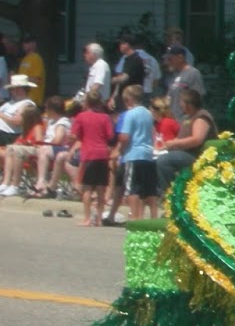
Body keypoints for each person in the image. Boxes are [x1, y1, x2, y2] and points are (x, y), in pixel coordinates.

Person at [70, 87, 116, 226]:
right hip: (102, 154)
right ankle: (99, 219)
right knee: (101, 187)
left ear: (87, 102)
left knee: (87, 188)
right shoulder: (105, 117)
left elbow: (74, 135)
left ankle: (87, 218)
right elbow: (110, 136)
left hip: (88, 154)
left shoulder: (81, 117)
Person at [114, 84, 160, 221]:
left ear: (129, 99)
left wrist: (120, 149)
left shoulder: (130, 114)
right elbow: (152, 133)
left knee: (132, 189)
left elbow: (125, 137)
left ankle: (135, 217)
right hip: (148, 154)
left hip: (133, 155)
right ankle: (153, 217)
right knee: (149, 188)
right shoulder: (148, 113)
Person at [157, 87, 216, 191]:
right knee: (156, 159)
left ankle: (170, 192)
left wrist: (175, 143)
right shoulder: (186, 118)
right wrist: (165, 146)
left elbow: (197, 139)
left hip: (196, 155)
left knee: (163, 161)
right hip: (183, 153)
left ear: (189, 103)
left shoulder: (201, 117)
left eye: (181, 101)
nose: (180, 104)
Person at [29, 96, 73, 199]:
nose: (45, 110)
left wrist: (45, 144)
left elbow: (58, 140)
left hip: (60, 148)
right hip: (48, 149)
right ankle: (40, 182)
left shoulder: (62, 122)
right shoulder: (51, 121)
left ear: (52, 110)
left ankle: (41, 182)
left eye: (46, 108)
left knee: (43, 150)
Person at [0, 100, 43, 197]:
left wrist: (26, 144)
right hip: (21, 152)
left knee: (14, 150)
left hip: (32, 153)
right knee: (10, 149)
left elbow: (39, 143)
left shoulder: (37, 127)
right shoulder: (26, 129)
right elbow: (16, 143)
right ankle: (5, 183)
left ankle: (15, 185)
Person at [17, 35, 44, 107]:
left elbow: (36, 79)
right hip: (23, 99)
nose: (24, 45)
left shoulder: (36, 58)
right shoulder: (24, 59)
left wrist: (18, 79)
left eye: (27, 42)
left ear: (34, 44)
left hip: (33, 100)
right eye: (24, 43)